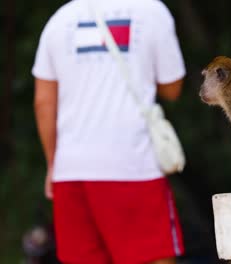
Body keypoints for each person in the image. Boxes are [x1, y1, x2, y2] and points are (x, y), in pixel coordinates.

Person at [32, 0, 186, 263]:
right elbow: (172, 88)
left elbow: (43, 101)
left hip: (71, 171)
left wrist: (52, 164)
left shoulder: (61, 19)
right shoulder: (151, 12)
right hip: (134, 167)